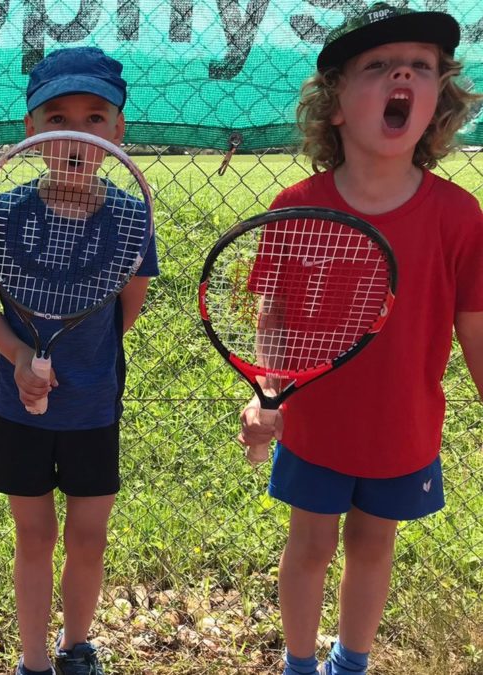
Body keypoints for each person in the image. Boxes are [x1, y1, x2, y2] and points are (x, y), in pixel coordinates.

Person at [238, 4, 483, 674]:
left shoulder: (460, 217)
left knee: (373, 546)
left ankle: (351, 662)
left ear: (436, 102)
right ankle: (297, 663)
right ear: (336, 105)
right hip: (315, 428)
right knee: (309, 545)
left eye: (422, 66)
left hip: (404, 430)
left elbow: (475, 328)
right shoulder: (295, 206)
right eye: (377, 65)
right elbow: (275, 317)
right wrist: (267, 393)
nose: (403, 71)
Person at [0, 46, 160, 675]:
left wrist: (77, 360)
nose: (76, 133)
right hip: (15, 410)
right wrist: (24, 355)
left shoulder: (132, 219)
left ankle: (77, 648)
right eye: (56, 118)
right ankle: (32, 661)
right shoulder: (6, 212)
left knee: (87, 536)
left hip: (93, 409)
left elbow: (124, 309)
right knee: (35, 537)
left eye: (95, 117)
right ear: (30, 131)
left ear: (118, 131)